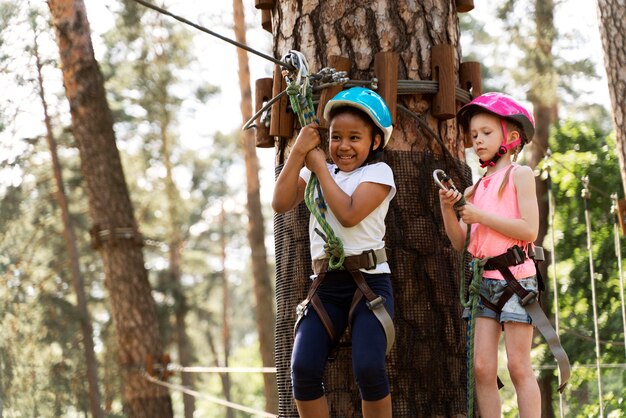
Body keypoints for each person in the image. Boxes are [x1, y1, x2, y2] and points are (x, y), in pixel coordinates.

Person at [272, 87, 396, 418]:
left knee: (369, 368)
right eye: (335, 137)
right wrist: (299, 152)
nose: (343, 146)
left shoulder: (378, 174)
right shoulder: (315, 172)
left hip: (369, 283)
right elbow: (281, 202)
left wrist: (320, 168)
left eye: (354, 137)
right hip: (325, 286)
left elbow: (349, 213)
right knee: (302, 369)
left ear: (374, 142)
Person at [438, 92, 541, 418]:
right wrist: (447, 209)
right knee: (482, 368)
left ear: (510, 137)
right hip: (483, 283)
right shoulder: (474, 190)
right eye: (474, 136)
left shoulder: (519, 176)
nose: (477, 141)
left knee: (517, 365)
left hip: (517, 280)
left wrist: (479, 216)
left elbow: (529, 231)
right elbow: (460, 243)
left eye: (486, 133)